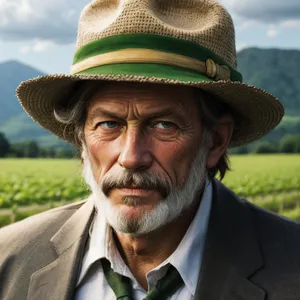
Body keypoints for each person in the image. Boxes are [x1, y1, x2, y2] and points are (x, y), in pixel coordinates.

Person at [1, 0, 300, 299]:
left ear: (216, 141)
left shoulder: (291, 266)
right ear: (80, 139)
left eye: (164, 125)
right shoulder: (10, 259)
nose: (131, 157)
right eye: (108, 124)